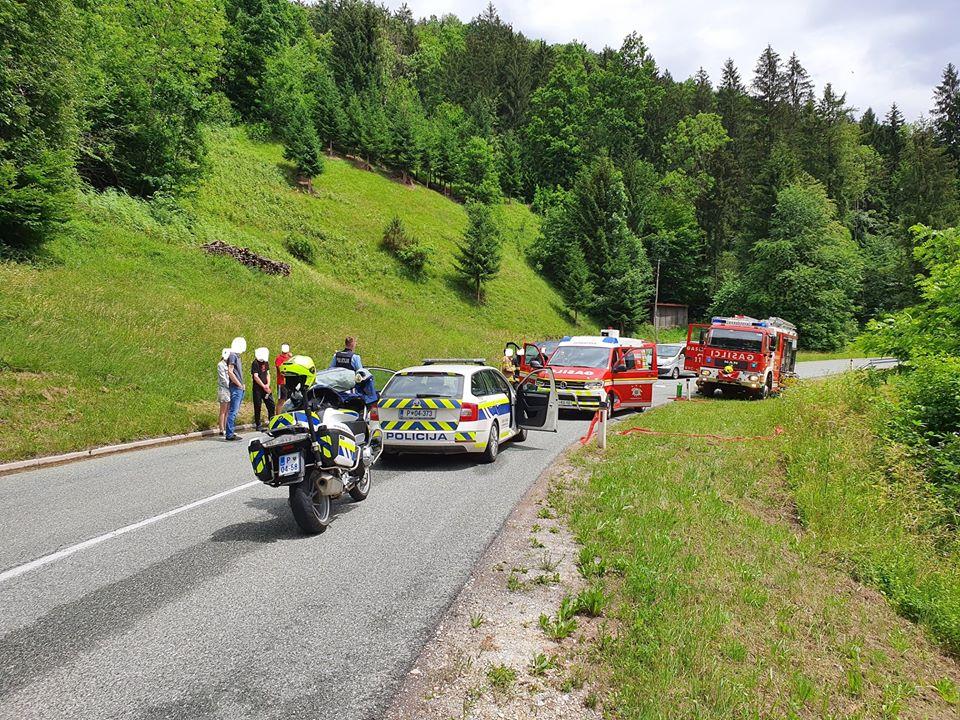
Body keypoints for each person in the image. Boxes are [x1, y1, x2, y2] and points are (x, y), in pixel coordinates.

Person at [225, 337, 246, 441]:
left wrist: (242, 384)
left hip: (239, 386)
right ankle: (229, 433)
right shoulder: (233, 356)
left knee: (234, 410)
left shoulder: (237, 356)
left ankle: (231, 431)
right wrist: (239, 384)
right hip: (236, 387)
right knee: (233, 410)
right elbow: (230, 371)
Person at [251, 347, 276, 431]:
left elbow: (268, 374)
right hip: (257, 388)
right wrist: (263, 386)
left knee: (271, 405)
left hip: (266, 387)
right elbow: (256, 376)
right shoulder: (255, 363)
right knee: (257, 406)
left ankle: (272, 421)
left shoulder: (266, 362)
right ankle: (258, 424)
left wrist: (267, 385)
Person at [217, 348, 231, 435]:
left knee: (228, 410)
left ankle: (226, 427)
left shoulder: (228, 364)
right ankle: (221, 429)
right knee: (223, 410)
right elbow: (223, 378)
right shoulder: (220, 365)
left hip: (230, 389)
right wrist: (230, 385)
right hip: (224, 389)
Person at [275, 342, 292, 409]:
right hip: (281, 382)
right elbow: (280, 370)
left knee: (289, 400)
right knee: (281, 401)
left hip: (289, 382)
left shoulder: (289, 358)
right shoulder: (279, 358)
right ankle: (278, 416)